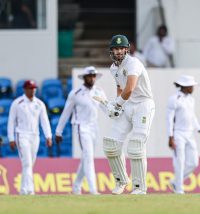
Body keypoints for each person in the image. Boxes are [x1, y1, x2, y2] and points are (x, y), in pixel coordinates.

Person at [104, 35, 155, 195]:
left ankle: (139, 188)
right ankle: (121, 181)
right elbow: (121, 88)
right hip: (128, 105)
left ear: (126, 49)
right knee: (111, 144)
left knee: (136, 145)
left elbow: (130, 88)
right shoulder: (113, 68)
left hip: (143, 104)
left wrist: (117, 103)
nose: (118, 52)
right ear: (111, 51)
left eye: (121, 48)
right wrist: (117, 106)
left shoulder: (133, 63)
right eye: (115, 49)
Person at [55, 66, 106, 195]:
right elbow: (66, 113)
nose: (92, 78)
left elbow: (106, 109)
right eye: (89, 76)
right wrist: (58, 131)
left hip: (94, 127)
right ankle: (93, 190)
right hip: (81, 127)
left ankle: (76, 187)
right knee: (88, 156)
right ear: (84, 78)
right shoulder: (75, 93)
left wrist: (118, 114)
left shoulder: (99, 92)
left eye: (94, 76)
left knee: (86, 158)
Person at [7, 80, 52, 195]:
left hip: (35, 136)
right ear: (25, 89)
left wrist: (48, 136)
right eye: (30, 88)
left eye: (34, 88)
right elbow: (11, 122)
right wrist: (11, 138)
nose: (33, 90)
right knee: (27, 163)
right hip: (21, 135)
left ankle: (23, 189)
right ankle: (30, 190)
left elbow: (44, 121)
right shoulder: (17, 103)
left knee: (30, 164)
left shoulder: (39, 104)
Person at [167, 75, 200, 194]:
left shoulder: (191, 99)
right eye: (191, 86)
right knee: (180, 161)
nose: (193, 88)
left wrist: (199, 129)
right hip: (178, 134)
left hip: (190, 134)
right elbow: (169, 119)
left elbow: (192, 116)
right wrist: (170, 136)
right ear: (185, 86)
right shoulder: (174, 99)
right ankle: (179, 189)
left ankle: (175, 182)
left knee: (194, 163)